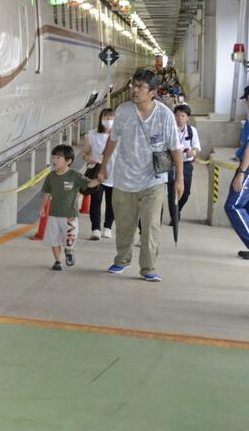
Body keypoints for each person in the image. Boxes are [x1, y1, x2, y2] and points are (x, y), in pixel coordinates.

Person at [99, 69, 184, 282]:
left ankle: (148, 268)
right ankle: (122, 260)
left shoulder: (164, 115)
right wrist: (103, 166)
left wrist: (180, 178)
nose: (135, 90)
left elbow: (175, 148)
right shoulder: (123, 111)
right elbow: (113, 139)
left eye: (140, 87)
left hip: (153, 179)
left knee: (151, 225)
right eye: (133, 85)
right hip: (124, 177)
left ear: (153, 92)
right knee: (125, 224)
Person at [41, 144, 98, 270]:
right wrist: (43, 207)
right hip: (54, 213)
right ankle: (57, 261)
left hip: (69, 215)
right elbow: (47, 193)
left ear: (68, 161)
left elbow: (90, 184)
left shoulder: (75, 176)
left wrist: (100, 179)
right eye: (53, 157)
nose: (54, 160)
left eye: (58, 158)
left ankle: (69, 251)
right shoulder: (51, 176)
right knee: (54, 239)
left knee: (70, 237)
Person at [82, 108, 115, 240]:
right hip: (97, 171)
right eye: (106, 118)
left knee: (111, 202)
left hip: (114, 172)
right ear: (101, 119)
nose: (109, 121)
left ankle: (108, 227)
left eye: (112, 118)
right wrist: (87, 158)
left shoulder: (120, 134)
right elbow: (85, 152)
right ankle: (95, 228)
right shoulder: (92, 134)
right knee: (96, 200)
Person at [225, 87, 249, 259]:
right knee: (247, 207)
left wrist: (241, 172)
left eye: (246, 99)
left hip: (247, 169)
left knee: (233, 205)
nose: (245, 102)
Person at [167, 104, 200, 222]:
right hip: (171, 164)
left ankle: (178, 209)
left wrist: (193, 152)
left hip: (186, 164)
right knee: (172, 192)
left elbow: (197, 147)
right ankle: (174, 217)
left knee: (185, 193)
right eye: (177, 115)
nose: (179, 118)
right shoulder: (169, 130)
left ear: (187, 118)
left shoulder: (192, 131)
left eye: (182, 116)